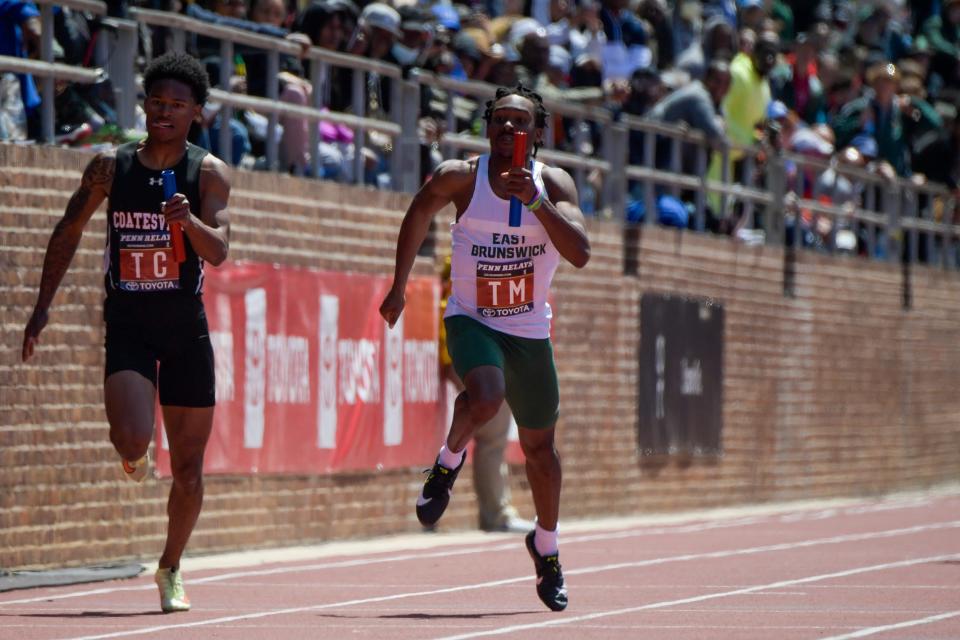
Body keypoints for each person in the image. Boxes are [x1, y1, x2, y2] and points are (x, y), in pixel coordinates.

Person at [21, 51, 231, 614]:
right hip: (130, 327)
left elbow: (221, 250)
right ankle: (132, 456)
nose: (164, 112)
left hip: (186, 333)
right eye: (156, 102)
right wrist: (43, 305)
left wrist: (188, 222)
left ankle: (170, 567)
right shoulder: (110, 168)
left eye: (177, 106)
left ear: (197, 114)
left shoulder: (207, 173)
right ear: (144, 104)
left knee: (188, 470)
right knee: (131, 440)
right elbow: (69, 229)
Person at [379, 84, 590, 612]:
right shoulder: (460, 176)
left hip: (529, 332)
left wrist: (536, 203)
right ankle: (447, 464)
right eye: (499, 120)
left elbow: (580, 253)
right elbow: (418, 212)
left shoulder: (554, 183)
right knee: (487, 395)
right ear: (487, 127)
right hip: (472, 318)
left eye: (521, 122)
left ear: (538, 133)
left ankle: (546, 547)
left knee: (541, 452)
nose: (509, 130)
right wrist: (399, 285)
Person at [437, 255, 535, 534]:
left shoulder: (459, 257)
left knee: (492, 433)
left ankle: (495, 511)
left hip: (467, 353)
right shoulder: (478, 257)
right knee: (493, 435)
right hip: (474, 356)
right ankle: (496, 513)